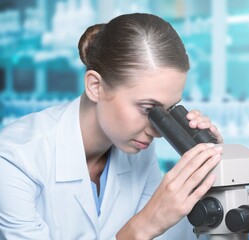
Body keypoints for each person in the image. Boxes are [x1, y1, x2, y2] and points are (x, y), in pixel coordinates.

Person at [0, 13, 223, 239]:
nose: (157, 131)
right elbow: (148, 228)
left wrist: (210, 173)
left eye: (168, 112)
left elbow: (169, 235)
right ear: (95, 86)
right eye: (148, 109)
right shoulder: (16, 159)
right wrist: (140, 229)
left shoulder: (138, 152)